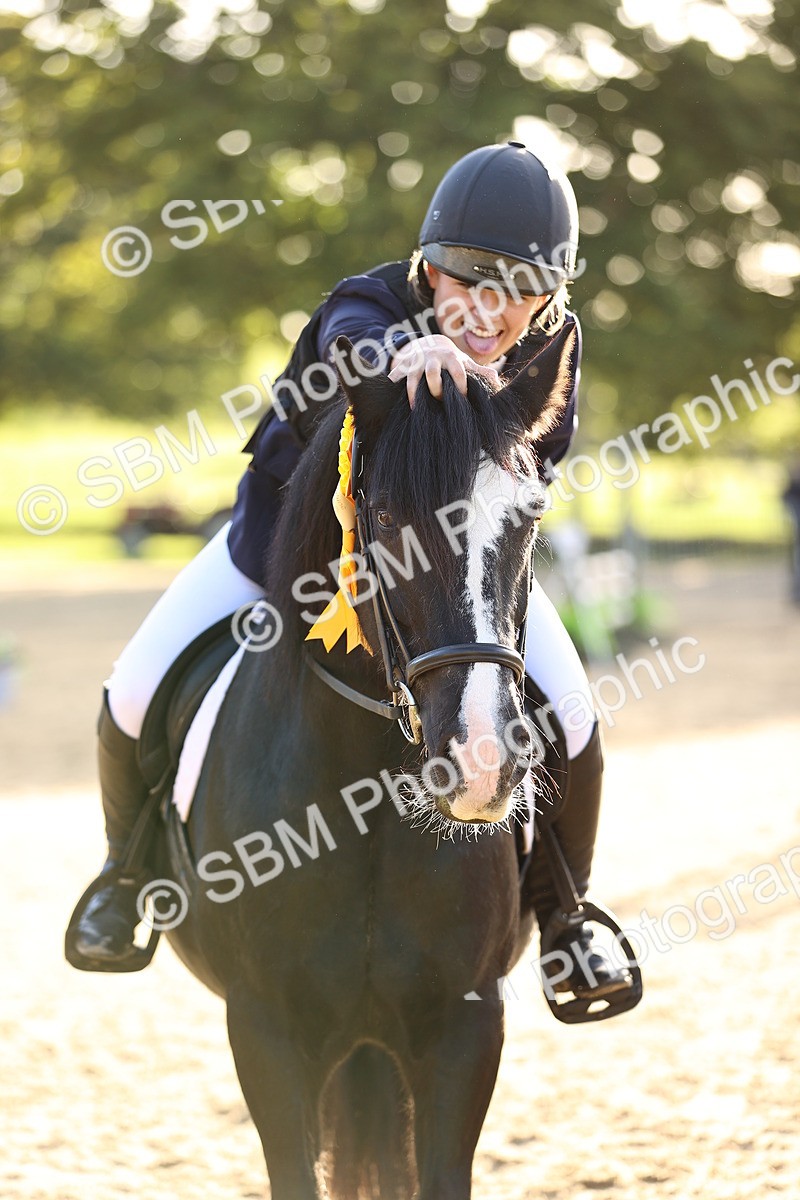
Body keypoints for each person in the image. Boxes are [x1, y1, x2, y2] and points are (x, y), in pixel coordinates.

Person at [72, 141, 633, 1004]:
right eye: (467, 276)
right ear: (427, 268)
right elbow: (351, 348)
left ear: (550, 297)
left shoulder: (554, 345)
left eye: (521, 288)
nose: (491, 308)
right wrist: (399, 360)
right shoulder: (366, 304)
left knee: (575, 717)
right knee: (134, 688)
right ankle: (125, 874)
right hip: (278, 564)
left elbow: (532, 465)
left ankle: (567, 917)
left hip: (450, 577)